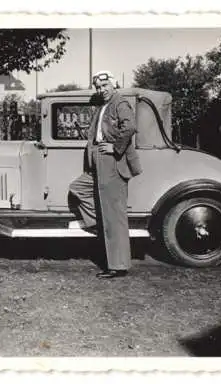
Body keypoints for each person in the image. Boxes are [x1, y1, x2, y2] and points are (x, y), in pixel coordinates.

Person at [68, 70, 142, 279]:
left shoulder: (120, 102)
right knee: (78, 189)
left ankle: (118, 266)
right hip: (98, 164)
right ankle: (98, 226)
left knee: (114, 216)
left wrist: (115, 147)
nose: (102, 90)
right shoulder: (104, 105)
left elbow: (130, 128)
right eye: (99, 87)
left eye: (105, 86)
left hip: (112, 162)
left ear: (114, 85)